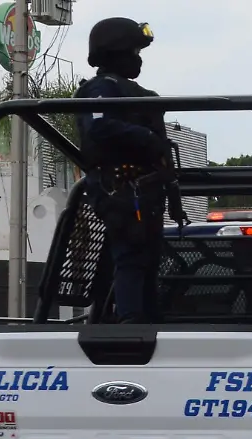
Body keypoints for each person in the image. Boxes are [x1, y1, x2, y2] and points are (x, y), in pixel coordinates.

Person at [74, 17, 188, 324]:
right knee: (131, 258)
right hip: (121, 189)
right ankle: (131, 325)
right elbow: (99, 126)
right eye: (135, 51)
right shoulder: (102, 88)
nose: (138, 59)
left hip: (146, 191)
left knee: (148, 260)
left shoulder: (136, 93)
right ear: (117, 51)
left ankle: (148, 321)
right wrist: (147, 139)